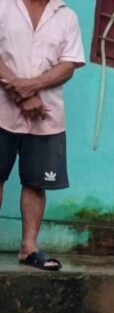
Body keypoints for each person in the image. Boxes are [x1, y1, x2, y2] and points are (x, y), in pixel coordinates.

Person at [0, 0, 85, 271]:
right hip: (2, 109)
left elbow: (69, 65)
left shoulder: (67, 16)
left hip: (46, 114)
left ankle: (29, 247)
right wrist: (21, 94)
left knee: (37, 181)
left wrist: (31, 86)